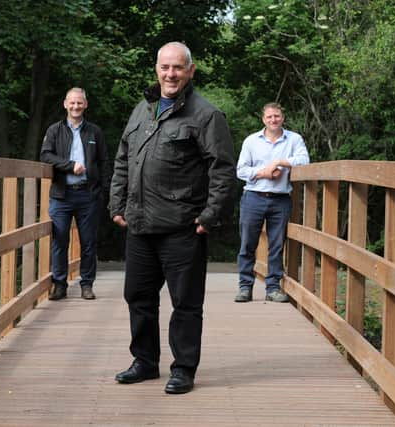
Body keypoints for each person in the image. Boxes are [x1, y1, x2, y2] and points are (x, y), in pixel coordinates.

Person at [109, 42, 236, 394]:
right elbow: (123, 158)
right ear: (156, 69)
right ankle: (145, 362)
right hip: (139, 223)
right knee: (138, 296)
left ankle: (183, 369)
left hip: (183, 226)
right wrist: (116, 204)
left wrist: (210, 216)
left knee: (186, 302)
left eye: (178, 68)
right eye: (165, 67)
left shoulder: (206, 115)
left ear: (190, 71)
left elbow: (223, 169)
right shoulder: (142, 110)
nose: (170, 74)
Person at [234, 102, 309, 303]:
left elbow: (304, 160)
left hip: (281, 199)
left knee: (276, 246)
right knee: (247, 243)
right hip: (253, 197)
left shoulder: (293, 139)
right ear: (263, 119)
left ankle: (273, 288)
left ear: (282, 117)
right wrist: (263, 173)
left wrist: (279, 162)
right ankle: (245, 287)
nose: (273, 120)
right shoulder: (251, 141)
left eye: (276, 116)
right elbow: (241, 170)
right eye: (269, 117)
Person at [40, 87, 110, 301]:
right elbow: (45, 155)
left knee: (88, 242)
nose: (76, 106)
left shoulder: (95, 131)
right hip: (62, 194)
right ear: (65, 104)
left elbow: (104, 162)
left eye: (79, 103)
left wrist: (105, 192)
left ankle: (86, 284)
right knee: (59, 241)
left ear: (85, 105)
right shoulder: (54, 130)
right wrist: (70, 166)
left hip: (88, 195)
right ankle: (59, 284)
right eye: (72, 103)